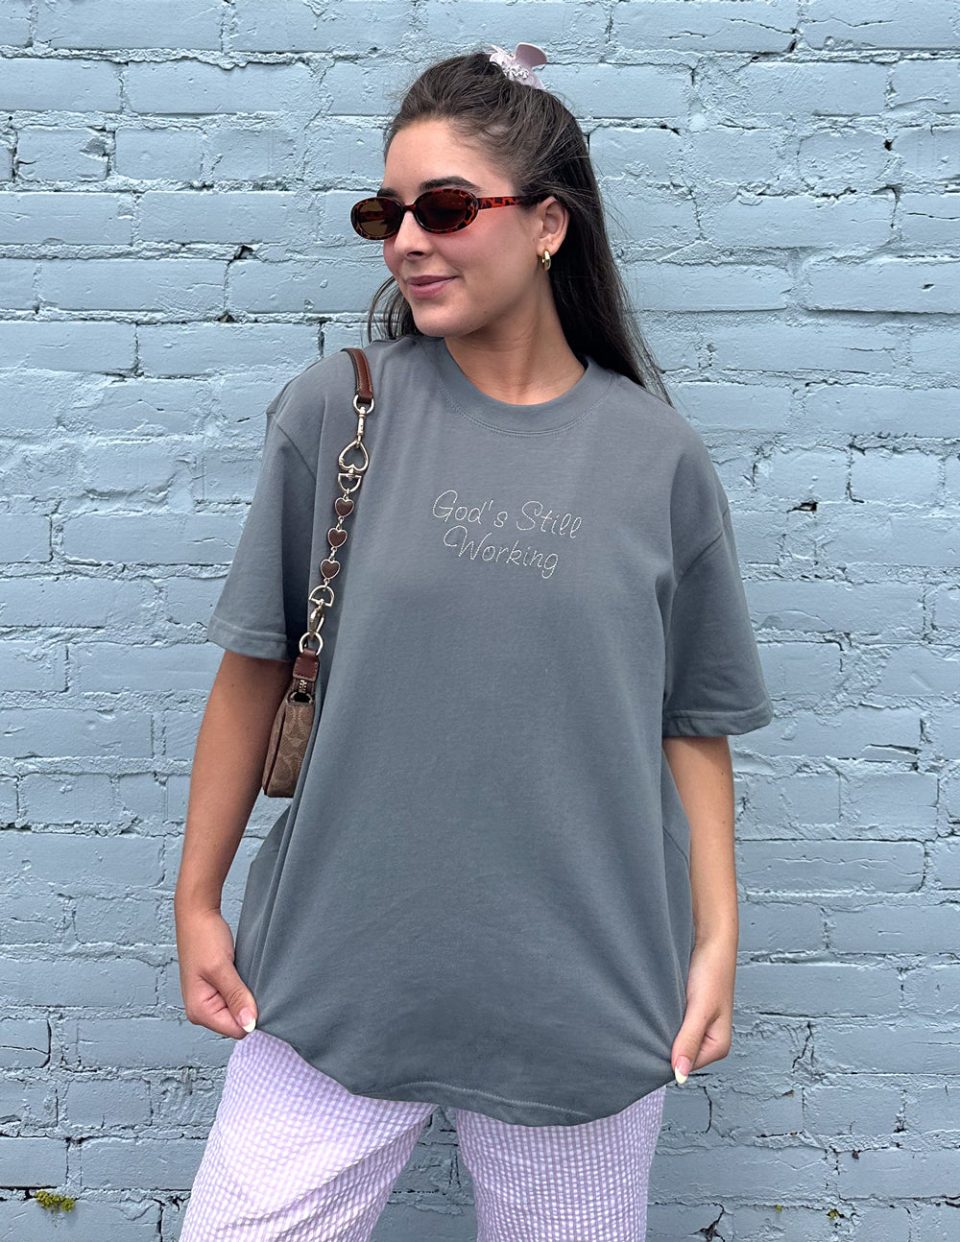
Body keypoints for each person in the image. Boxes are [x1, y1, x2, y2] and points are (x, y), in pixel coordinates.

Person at [174, 41, 774, 1242]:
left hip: (585, 994)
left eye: (445, 207)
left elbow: (691, 722)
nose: (408, 240)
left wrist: (717, 941)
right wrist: (197, 899)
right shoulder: (341, 410)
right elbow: (254, 670)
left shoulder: (656, 458)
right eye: (386, 213)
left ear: (548, 224)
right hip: (336, 967)